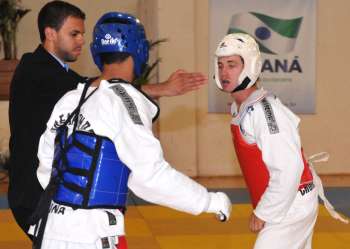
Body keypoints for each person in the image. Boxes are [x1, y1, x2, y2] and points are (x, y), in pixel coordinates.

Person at [28, 11, 232, 249]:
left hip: (50, 230)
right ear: (140, 50)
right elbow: (150, 176)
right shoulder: (124, 100)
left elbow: (46, 167)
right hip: (92, 235)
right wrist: (209, 201)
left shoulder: (71, 98)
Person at [213, 33, 347, 249]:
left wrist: (265, 211)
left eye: (231, 64)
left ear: (251, 66)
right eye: (220, 65)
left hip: (292, 204)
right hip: (290, 201)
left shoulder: (264, 112)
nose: (224, 71)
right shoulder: (243, 108)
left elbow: (289, 167)